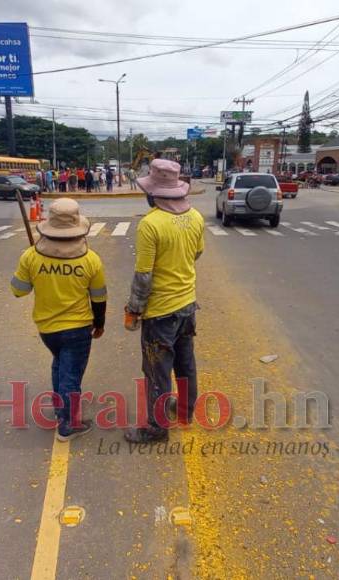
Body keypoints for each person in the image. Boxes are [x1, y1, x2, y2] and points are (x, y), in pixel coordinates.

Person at [10, 198, 107, 441]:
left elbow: (18, 290)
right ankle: (67, 424)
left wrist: (34, 268)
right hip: (78, 328)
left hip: (47, 329)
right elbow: (99, 297)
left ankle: (59, 409)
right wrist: (100, 323)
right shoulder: (90, 259)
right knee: (71, 375)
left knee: (60, 365)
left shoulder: (31, 256)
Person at [123, 159, 205, 443]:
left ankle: (156, 428)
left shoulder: (151, 224)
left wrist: (134, 310)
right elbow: (196, 253)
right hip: (187, 305)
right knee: (185, 363)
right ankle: (184, 411)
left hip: (160, 313)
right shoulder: (195, 217)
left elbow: (143, 277)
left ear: (152, 193)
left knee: (157, 370)